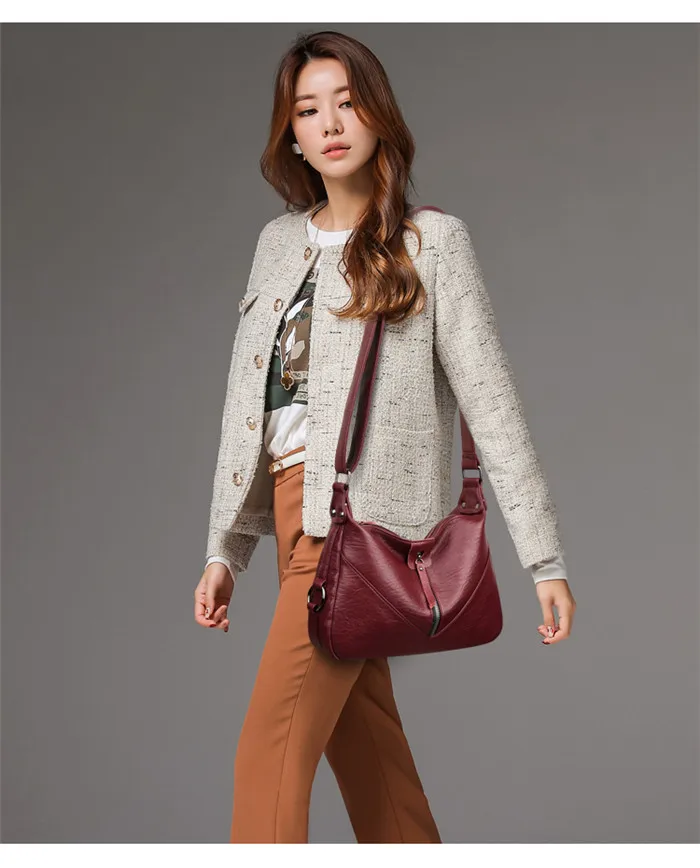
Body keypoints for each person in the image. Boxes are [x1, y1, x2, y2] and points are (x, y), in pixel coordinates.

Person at [193, 29, 577, 844]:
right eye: (308, 110)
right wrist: (226, 549)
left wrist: (544, 560)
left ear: (377, 114)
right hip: (293, 512)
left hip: (364, 525)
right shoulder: (276, 245)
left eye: (346, 102)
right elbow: (253, 405)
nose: (330, 123)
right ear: (291, 135)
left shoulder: (431, 243)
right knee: (372, 760)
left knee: (267, 757)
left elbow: (493, 405)